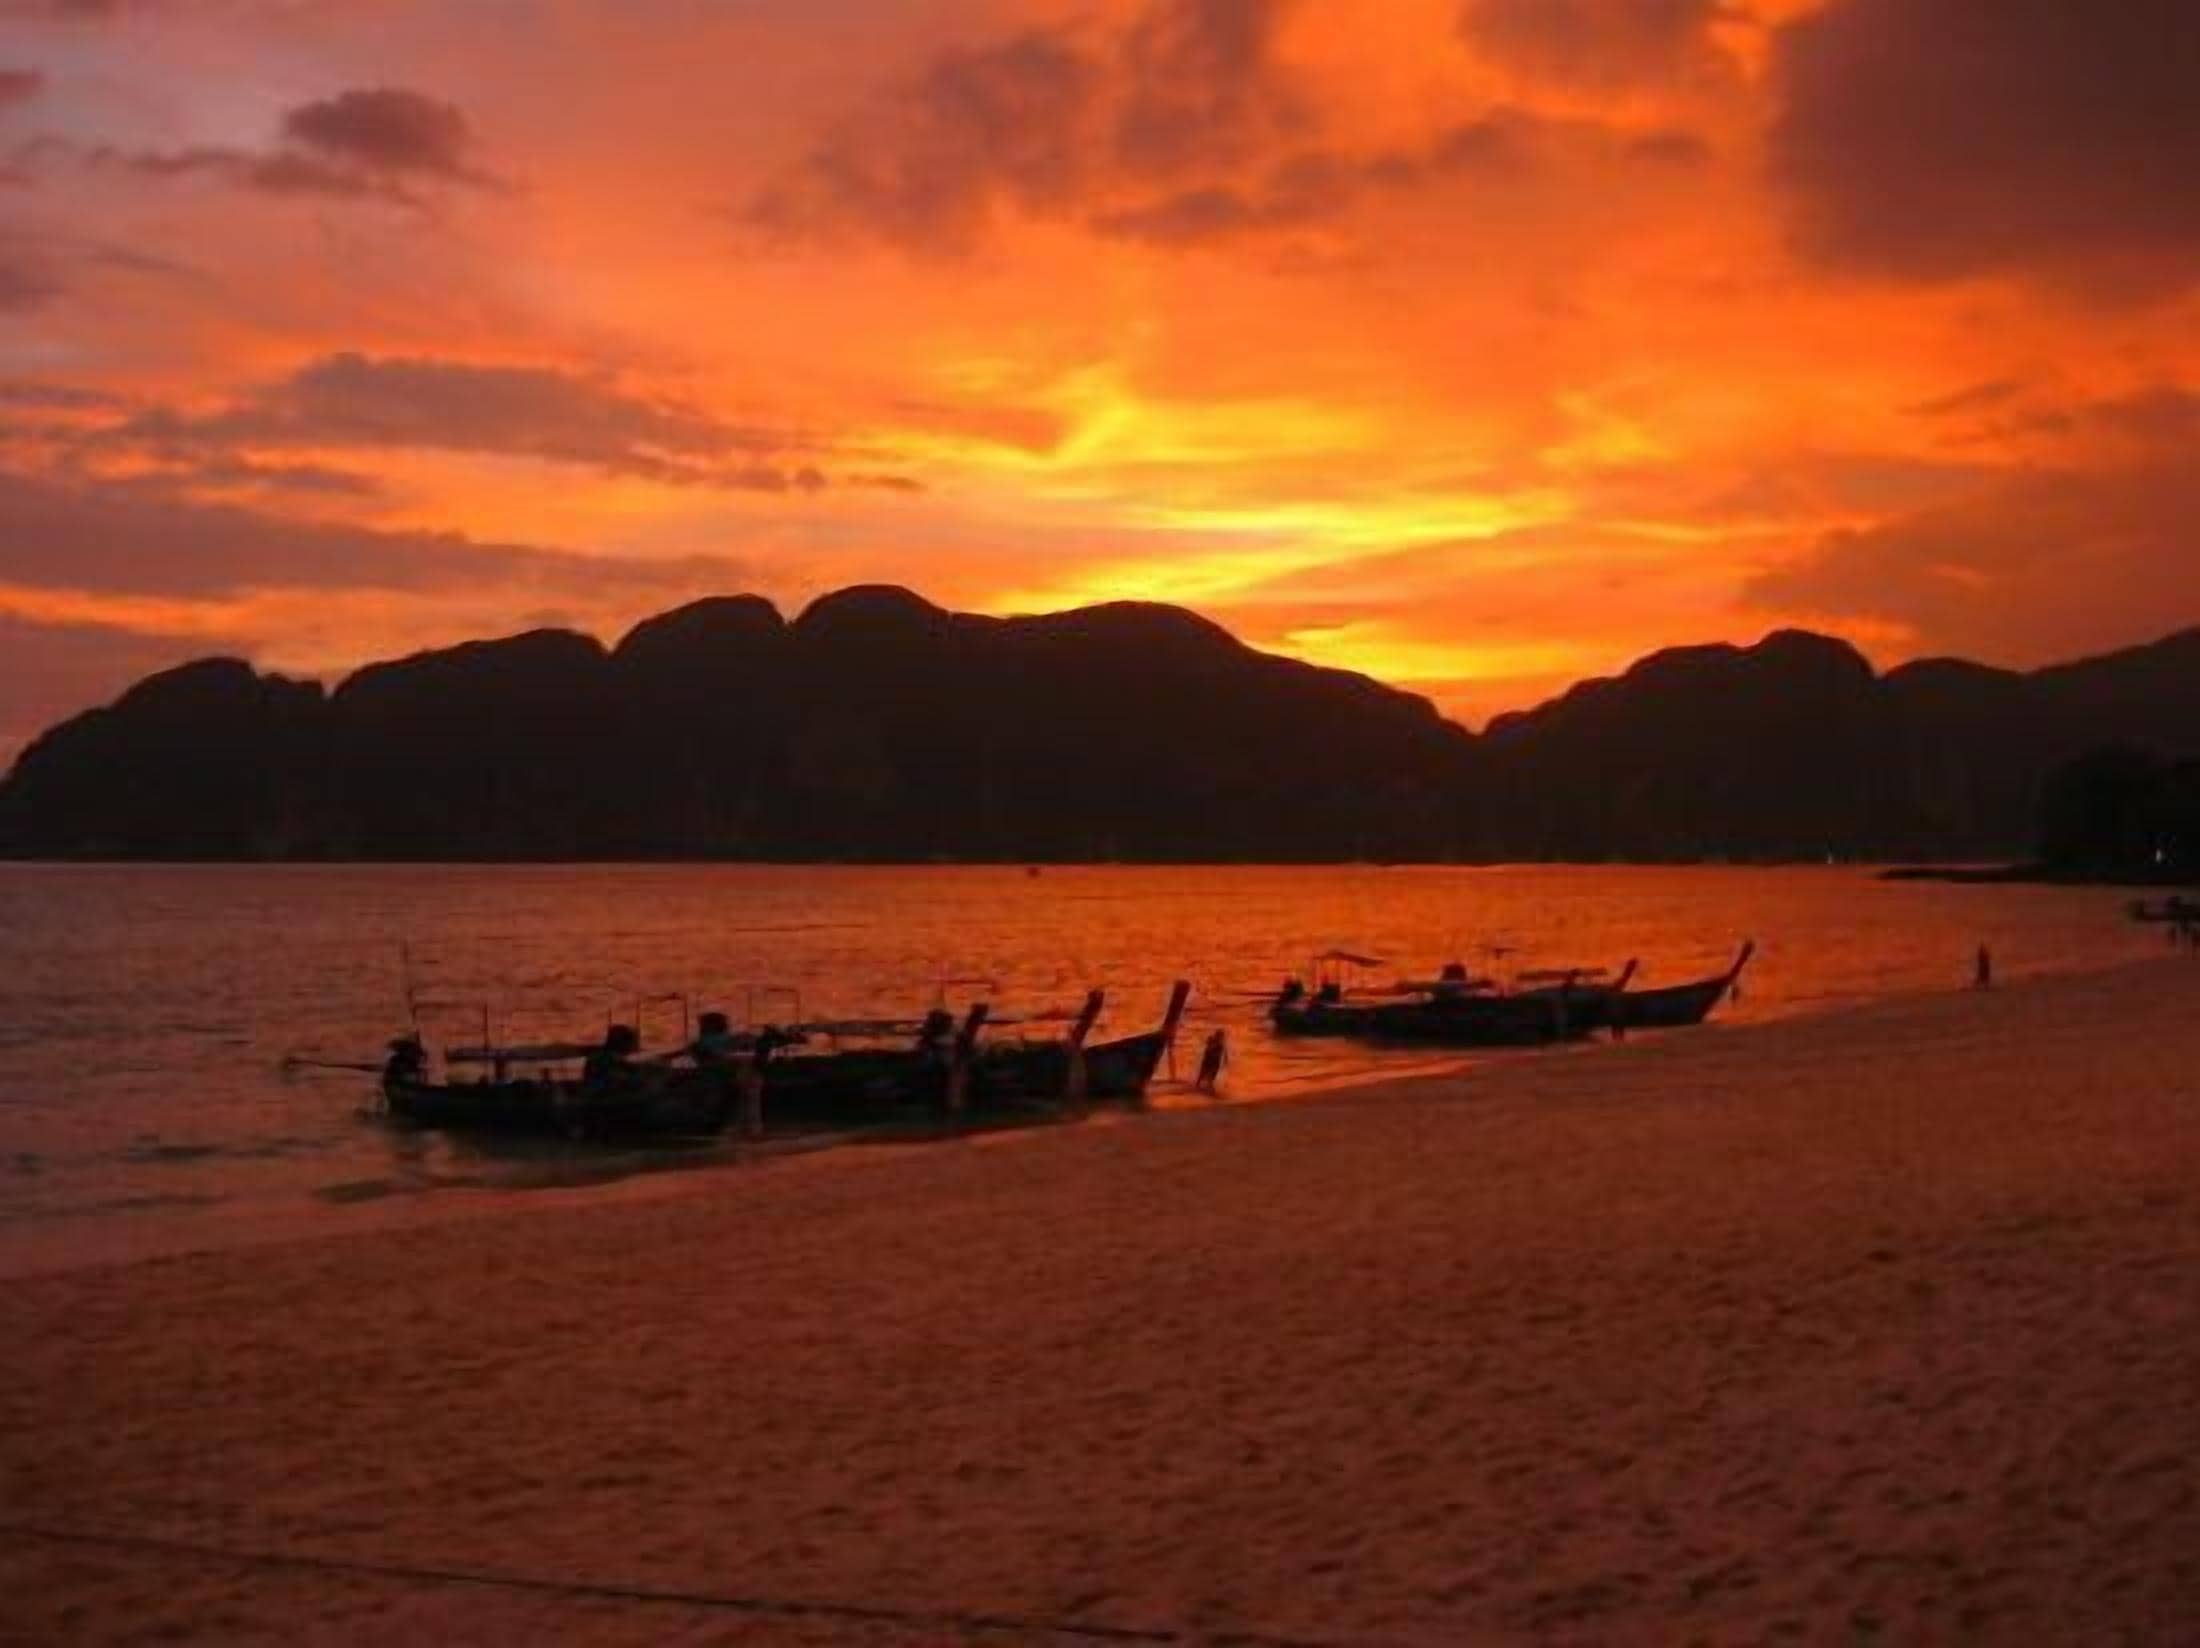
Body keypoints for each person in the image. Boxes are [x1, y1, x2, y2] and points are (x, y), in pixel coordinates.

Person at [1194, 1028, 1228, 1095]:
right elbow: (1207, 1047)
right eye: (1219, 1036)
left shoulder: (1221, 1044)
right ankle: (1199, 1087)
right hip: (1207, 1061)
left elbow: (1225, 1053)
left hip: (1215, 1063)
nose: (1220, 1038)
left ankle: (1209, 1088)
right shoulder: (1211, 1040)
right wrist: (1213, 1045)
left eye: (1221, 1037)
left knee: (1211, 1078)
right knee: (1201, 1075)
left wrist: (1225, 1060)